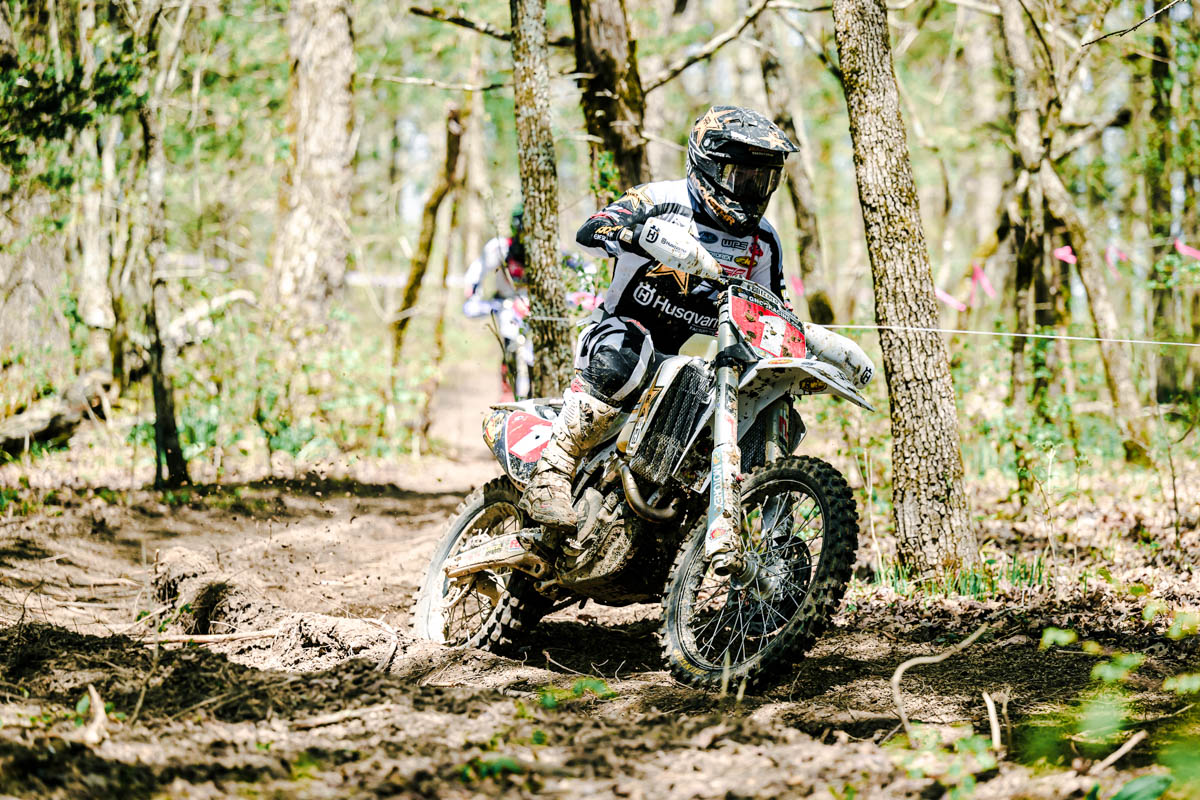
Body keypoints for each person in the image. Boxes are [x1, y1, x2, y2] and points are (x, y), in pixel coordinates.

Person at [518, 105, 799, 534]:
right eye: (740, 176)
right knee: (629, 352)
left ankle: (775, 533)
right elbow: (590, 232)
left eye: (762, 180)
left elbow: (770, 310)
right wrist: (628, 232)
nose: (750, 189)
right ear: (708, 166)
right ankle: (551, 475)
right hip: (620, 336)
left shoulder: (764, 242)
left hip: (698, 364)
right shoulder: (660, 200)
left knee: (764, 396)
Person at [463, 207, 534, 399]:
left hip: (534, 305)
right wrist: (472, 291)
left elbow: (574, 262)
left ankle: (533, 393)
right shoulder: (500, 247)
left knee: (534, 352)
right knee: (510, 344)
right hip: (506, 303)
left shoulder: (544, 248)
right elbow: (478, 269)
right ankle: (508, 392)